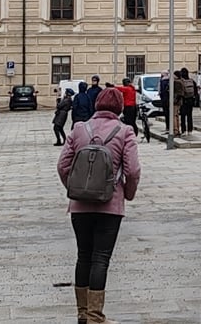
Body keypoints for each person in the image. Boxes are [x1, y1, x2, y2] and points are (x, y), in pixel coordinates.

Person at [57, 87, 140, 324]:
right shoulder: (125, 132)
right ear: (120, 108)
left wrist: (74, 189)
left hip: (79, 205)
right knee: (100, 259)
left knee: (83, 256)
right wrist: (128, 194)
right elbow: (133, 170)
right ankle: (95, 317)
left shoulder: (79, 129)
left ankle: (82, 313)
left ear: (96, 104)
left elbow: (63, 166)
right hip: (110, 205)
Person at [178, 68, 196, 135]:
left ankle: (183, 130)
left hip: (183, 100)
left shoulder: (181, 82)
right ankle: (190, 130)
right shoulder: (192, 81)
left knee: (183, 116)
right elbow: (196, 92)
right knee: (189, 116)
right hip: (190, 100)